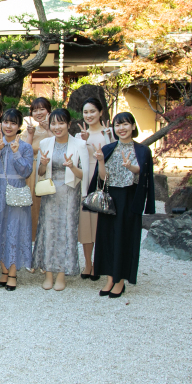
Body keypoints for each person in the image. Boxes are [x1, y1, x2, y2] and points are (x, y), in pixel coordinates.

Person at [91, 111, 155, 298]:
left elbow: (142, 175)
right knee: (108, 237)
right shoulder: (109, 148)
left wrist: (130, 167)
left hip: (130, 198)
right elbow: (102, 178)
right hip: (111, 197)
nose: (122, 128)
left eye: (126, 124)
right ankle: (110, 277)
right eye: (118, 125)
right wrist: (101, 161)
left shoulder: (143, 151)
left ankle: (120, 280)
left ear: (133, 126)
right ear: (114, 128)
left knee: (125, 237)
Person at [33, 108, 89, 291]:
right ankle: (48, 273)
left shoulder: (79, 144)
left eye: (61, 123)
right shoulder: (46, 143)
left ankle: (62, 274)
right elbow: (40, 173)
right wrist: (42, 164)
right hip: (50, 192)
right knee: (48, 232)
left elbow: (84, 175)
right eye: (54, 124)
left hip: (69, 193)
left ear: (69, 124)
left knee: (66, 232)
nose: (57, 127)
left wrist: (72, 166)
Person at [0, 108, 34, 291]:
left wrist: (15, 153)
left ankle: (13, 272)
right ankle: (4, 270)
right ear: (1, 123)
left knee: (15, 229)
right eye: (6, 122)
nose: (9, 126)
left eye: (13, 123)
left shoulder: (25, 147)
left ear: (19, 126)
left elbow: (26, 171)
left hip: (16, 190)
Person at [75, 98, 113, 280]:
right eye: (85, 112)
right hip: (85, 182)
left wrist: (107, 137)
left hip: (103, 181)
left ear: (101, 112)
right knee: (86, 226)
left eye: (92, 111)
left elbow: (114, 155)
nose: (88, 115)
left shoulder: (109, 133)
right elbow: (76, 159)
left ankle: (100, 262)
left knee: (101, 225)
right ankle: (88, 264)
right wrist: (84, 141)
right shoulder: (80, 135)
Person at [24, 97, 52, 241]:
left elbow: (56, 147)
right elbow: (25, 152)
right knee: (33, 209)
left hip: (50, 171)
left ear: (49, 111)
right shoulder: (29, 130)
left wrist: (48, 129)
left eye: (42, 109)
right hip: (32, 174)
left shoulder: (57, 128)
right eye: (35, 110)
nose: (38, 113)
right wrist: (30, 134)